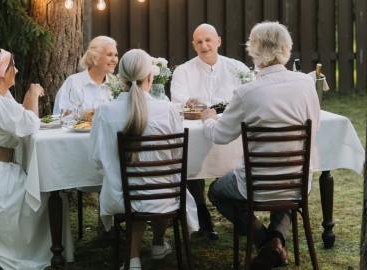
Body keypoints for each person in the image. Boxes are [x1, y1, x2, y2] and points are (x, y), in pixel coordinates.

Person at [203, 22, 320, 269]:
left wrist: (208, 120)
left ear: (254, 50)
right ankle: (277, 241)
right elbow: (315, 128)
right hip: (297, 182)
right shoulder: (307, 84)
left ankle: (264, 241)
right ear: (286, 48)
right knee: (285, 187)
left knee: (216, 191)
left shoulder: (247, 92)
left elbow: (221, 136)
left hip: (255, 185)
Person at [90, 49, 199, 270]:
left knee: (138, 189)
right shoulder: (167, 110)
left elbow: (96, 159)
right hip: (164, 196)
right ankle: (158, 244)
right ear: (150, 77)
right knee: (160, 185)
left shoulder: (104, 111)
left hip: (121, 196)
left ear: (120, 79)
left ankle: (132, 260)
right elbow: (177, 159)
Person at [0, 49, 74, 269]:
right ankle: (33, 254)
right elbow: (29, 124)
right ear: (1, 73)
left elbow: (21, 119)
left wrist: (26, 102)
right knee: (48, 196)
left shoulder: (1, 97)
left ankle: (49, 252)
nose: (17, 70)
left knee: (51, 193)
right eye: (12, 66)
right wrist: (32, 97)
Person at [170, 23, 249, 240]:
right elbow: (179, 104)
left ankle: (242, 216)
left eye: (208, 40)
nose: (204, 46)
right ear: (193, 45)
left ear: (218, 41)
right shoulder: (183, 71)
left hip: (230, 132)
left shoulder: (238, 68)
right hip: (197, 134)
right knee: (191, 162)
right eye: (199, 42)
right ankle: (203, 218)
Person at [53, 35, 119, 115]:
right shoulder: (73, 82)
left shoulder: (115, 85)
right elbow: (59, 116)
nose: (114, 60)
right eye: (109, 55)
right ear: (95, 58)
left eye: (116, 55)